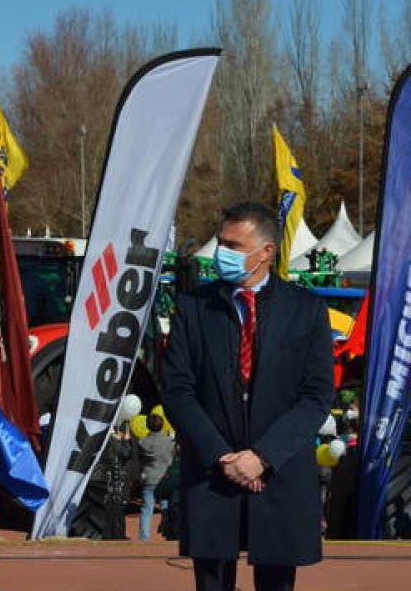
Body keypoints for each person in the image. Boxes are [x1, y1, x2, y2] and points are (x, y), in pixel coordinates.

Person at [162, 202, 334, 591]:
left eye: (232, 245)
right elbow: (177, 389)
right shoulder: (193, 308)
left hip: (278, 474)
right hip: (212, 473)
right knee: (211, 581)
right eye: (221, 241)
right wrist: (223, 457)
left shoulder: (306, 310)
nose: (221, 252)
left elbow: (317, 395)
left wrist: (263, 457)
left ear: (266, 252)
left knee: (276, 581)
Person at [137, 412, 175, 540]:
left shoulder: (142, 442)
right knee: (166, 508)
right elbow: (171, 459)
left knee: (146, 510)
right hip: (164, 478)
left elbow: (140, 461)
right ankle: (169, 533)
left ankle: (144, 537)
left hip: (149, 478)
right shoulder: (168, 441)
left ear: (147, 425)